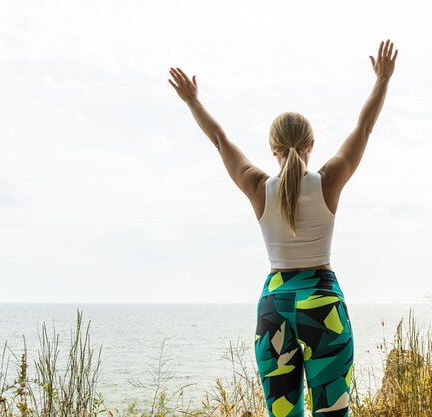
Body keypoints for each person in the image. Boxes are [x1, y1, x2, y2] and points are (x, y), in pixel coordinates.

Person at [169, 38, 398, 417]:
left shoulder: (257, 186)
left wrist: (192, 100)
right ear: (311, 145)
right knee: (331, 412)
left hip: (274, 306)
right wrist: (382, 80)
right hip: (321, 301)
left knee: (283, 413)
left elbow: (219, 139)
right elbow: (366, 126)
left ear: (273, 149)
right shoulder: (329, 180)